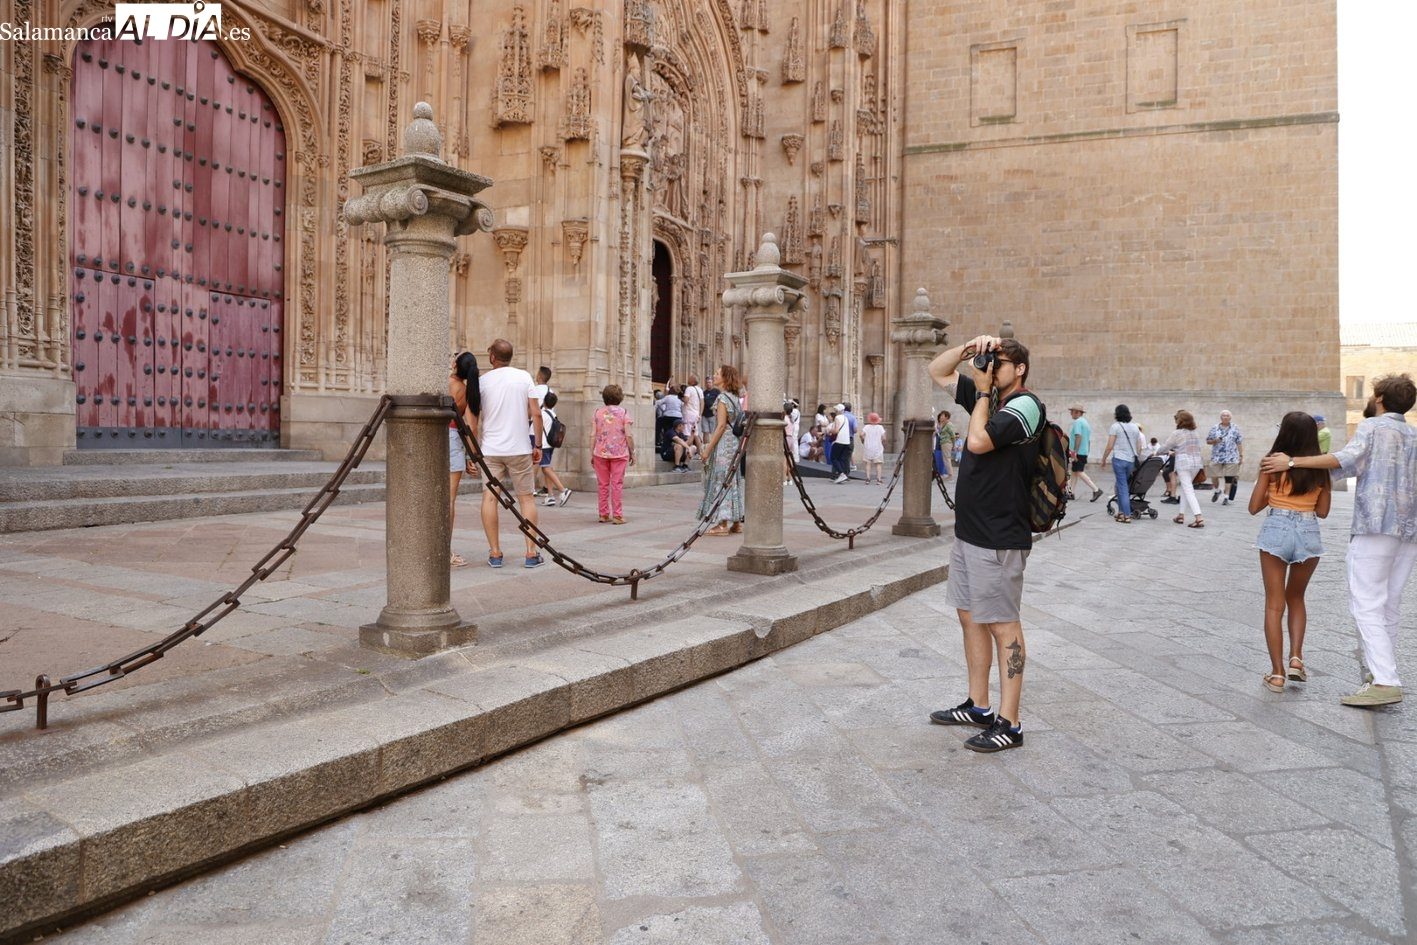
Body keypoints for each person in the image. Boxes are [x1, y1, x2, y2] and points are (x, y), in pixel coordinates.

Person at [1262, 375, 1417, 707]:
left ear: (1379, 398)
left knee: (1366, 602)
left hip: (1376, 524)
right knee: (1389, 603)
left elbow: (1344, 460)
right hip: (1409, 530)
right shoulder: (1413, 435)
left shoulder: (1372, 427)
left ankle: (1385, 681)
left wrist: (1293, 462)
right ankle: (1379, 671)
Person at [925, 334, 1043, 753]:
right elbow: (936, 369)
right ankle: (979, 706)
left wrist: (982, 391)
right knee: (971, 616)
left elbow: (977, 441)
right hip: (970, 532)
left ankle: (1010, 722)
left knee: (1002, 624)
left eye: (1000, 361)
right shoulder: (987, 396)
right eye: (989, 360)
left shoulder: (1025, 406)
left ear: (1020, 369)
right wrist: (968, 349)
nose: (991, 367)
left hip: (999, 536)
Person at [1248, 411, 1331, 693]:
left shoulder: (1270, 463)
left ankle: (1277, 674)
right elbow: (1323, 511)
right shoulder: (1321, 468)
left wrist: (1274, 490)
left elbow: (1254, 507)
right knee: (1296, 597)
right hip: (1308, 531)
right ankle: (1296, 659)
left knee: (1274, 604)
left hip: (1276, 528)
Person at [477, 338, 544, 569]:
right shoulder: (524, 377)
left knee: (489, 498)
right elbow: (536, 413)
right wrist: (538, 445)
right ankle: (531, 552)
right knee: (526, 498)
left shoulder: (483, 381)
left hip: (491, 449)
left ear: (492, 357)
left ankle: (495, 553)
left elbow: (475, 416)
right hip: (519, 448)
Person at [698, 364, 746, 535]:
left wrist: (707, 449)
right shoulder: (735, 398)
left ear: (725, 378)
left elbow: (720, 426)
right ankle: (737, 522)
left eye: (718, 373)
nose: (714, 375)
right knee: (733, 480)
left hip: (724, 443)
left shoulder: (722, 398)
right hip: (735, 443)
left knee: (722, 479)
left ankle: (723, 523)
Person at [447, 351, 481, 568]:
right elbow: (471, 427)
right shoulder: (467, 392)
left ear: (456, 365)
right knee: (449, 500)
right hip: (453, 440)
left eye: (454, 357)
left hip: (434, 438)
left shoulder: (444, 383)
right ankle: (445, 550)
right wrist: (471, 456)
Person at [592, 384, 634, 524]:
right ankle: (617, 515)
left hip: (600, 452)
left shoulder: (597, 413)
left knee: (602, 484)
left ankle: (603, 514)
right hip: (619, 453)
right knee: (617, 484)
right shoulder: (624, 413)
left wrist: (591, 452)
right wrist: (632, 451)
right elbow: (629, 435)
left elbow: (592, 434)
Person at [1159, 410, 1206, 528]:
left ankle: (1198, 516)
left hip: (1184, 464)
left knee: (1188, 489)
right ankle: (1181, 515)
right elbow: (1195, 448)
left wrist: (1156, 452)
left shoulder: (1177, 433)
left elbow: (1166, 447)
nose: (1175, 421)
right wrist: (1177, 451)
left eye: (1176, 419)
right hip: (1196, 463)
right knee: (1186, 488)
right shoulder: (1196, 433)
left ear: (1180, 421)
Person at [1100, 404, 1144, 523]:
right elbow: (1139, 446)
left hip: (1119, 459)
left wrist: (1104, 459)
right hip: (1131, 461)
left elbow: (1110, 446)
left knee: (1122, 487)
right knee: (1122, 486)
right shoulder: (1135, 427)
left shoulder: (1115, 426)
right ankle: (1120, 512)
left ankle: (1127, 515)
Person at [537, 391, 573, 507]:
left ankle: (563, 490)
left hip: (544, 444)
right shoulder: (553, 414)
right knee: (546, 468)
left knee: (546, 468)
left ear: (544, 401)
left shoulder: (542, 414)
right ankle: (550, 496)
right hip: (550, 444)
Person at [1066, 403, 1103, 502]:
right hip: (1083, 451)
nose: (1071, 413)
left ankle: (1096, 489)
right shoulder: (1085, 422)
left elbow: (1078, 436)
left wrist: (1074, 452)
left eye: (1072, 412)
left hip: (1078, 452)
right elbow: (1087, 440)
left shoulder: (1078, 422)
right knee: (1074, 472)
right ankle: (1071, 493)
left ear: (1078, 413)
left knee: (1079, 472)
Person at [1206, 410, 1245, 505]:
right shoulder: (1214, 428)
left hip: (1231, 456)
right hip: (1217, 456)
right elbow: (1208, 441)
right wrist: (1215, 440)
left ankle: (1226, 497)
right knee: (1214, 475)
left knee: (1229, 477)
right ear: (1221, 417)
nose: (1225, 417)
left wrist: (1241, 455)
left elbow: (1239, 442)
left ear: (1230, 417)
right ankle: (1217, 490)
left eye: (1227, 415)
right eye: (1223, 415)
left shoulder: (1235, 428)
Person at [529, 366, 553, 496]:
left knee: (535, 459)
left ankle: (530, 486)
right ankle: (546, 487)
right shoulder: (550, 390)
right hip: (547, 430)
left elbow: (530, 409)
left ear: (539, 376)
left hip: (535, 429)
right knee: (545, 461)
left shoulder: (534, 390)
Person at [859, 412, 886, 483]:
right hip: (878, 447)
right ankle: (878, 479)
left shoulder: (866, 427)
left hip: (868, 447)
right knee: (878, 464)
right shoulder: (880, 427)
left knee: (868, 463)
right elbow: (884, 438)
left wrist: (863, 440)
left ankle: (868, 479)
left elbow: (861, 435)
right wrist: (881, 441)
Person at [829, 403, 852, 483]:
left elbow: (836, 430)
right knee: (841, 459)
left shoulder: (837, 417)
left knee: (833, 458)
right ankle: (842, 475)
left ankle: (842, 474)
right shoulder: (845, 418)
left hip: (839, 440)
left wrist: (829, 431)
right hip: (846, 441)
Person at [681, 374, 704, 453]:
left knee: (688, 434)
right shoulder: (700, 390)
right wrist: (700, 414)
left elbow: (686, 400)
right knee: (696, 434)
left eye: (690, 378)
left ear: (693, 381)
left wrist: (681, 398)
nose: (688, 378)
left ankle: (688, 451)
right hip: (696, 414)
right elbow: (702, 402)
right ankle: (701, 453)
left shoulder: (689, 389)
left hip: (688, 414)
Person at [934, 410, 956, 478]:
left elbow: (953, 436)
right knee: (946, 459)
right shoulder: (945, 425)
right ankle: (949, 474)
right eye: (941, 416)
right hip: (944, 443)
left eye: (942, 416)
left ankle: (950, 475)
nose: (941, 417)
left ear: (946, 417)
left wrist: (954, 445)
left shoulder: (949, 425)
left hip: (947, 443)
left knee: (947, 459)